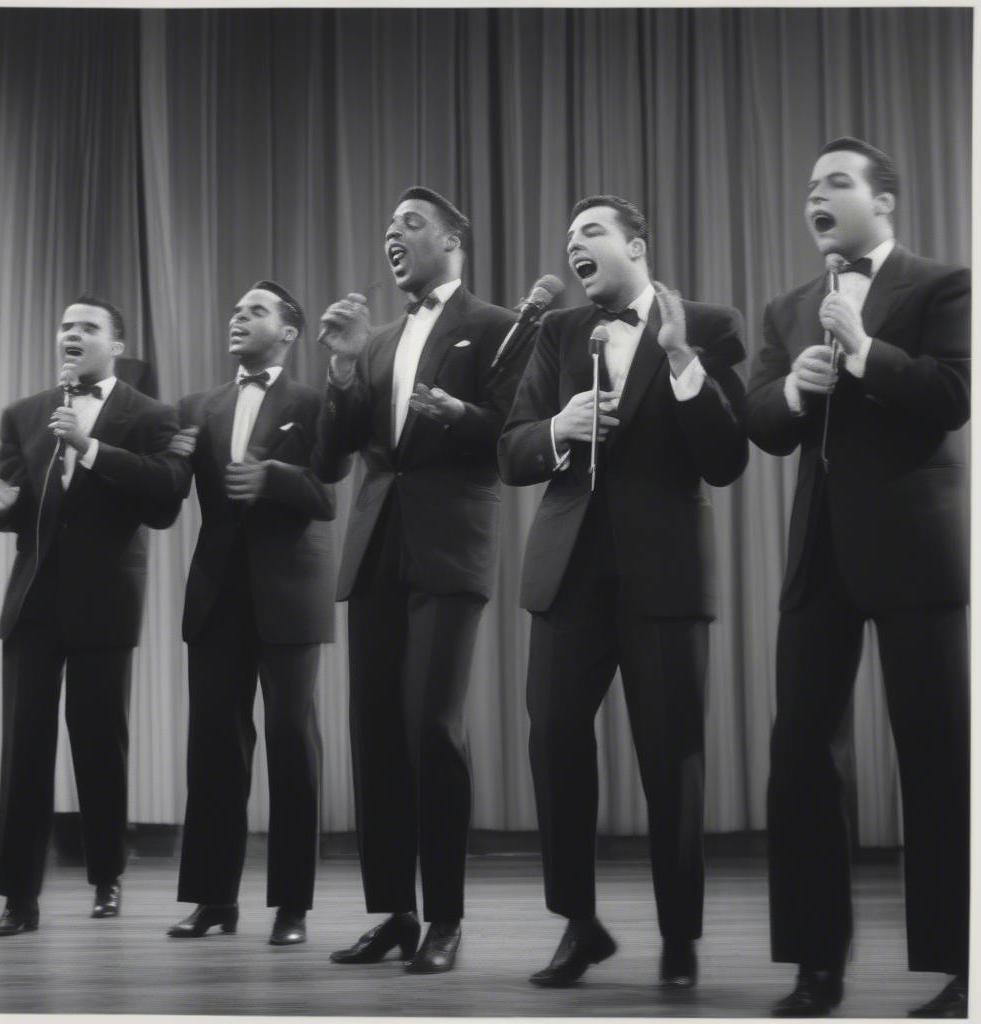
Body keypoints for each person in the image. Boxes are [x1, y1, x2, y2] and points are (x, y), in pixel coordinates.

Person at [498, 195, 747, 989]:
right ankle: (579, 924)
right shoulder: (559, 333)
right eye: (568, 236)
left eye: (591, 231)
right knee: (555, 739)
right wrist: (557, 429)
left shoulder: (706, 321)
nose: (574, 243)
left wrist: (679, 362)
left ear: (636, 244)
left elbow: (726, 458)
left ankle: (680, 937)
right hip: (569, 574)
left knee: (671, 758)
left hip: (664, 574)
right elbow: (511, 450)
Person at [746, 137, 969, 1019]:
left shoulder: (940, 283)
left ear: (885, 201)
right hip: (820, 556)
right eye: (809, 186)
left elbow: (952, 395)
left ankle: (963, 968)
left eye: (836, 181)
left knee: (938, 755)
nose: (816, 196)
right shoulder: (789, 305)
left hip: (914, 549)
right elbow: (761, 420)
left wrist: (866, 349)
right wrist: (797, 390)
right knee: (800, 755)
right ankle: (816, 965)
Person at [315, 187, 517, 974]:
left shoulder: (497, 328)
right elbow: (330, 458)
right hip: (376, 552)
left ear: (454, 238)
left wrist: (453, 415)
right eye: (388, 226)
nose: (393, 236)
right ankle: (395, 913)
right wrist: (339, 366)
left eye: (411, 224)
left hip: (448, 550)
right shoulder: (376, 342)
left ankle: (448, 918)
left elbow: (510, 434)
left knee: (431, 726)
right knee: (376, 732)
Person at [0, 296, 188, 935]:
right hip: (33, 602)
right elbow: (19, 506)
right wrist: (0, 507)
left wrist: (90, 447)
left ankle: (106, 877)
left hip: (104, 603)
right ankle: (19, 898)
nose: (72, 333)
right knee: (24, 751)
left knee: (99, 744)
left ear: (115, 345)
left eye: (88, 327)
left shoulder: (150, 415)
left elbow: (166, 499)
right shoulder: (24, 414)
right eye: (66, 325)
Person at [165, 281, 336, 946]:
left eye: (255, 310)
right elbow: (171, 495)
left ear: (288, 332)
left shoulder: (313, 404)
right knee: (213, 749)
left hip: (289, 594)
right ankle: (213, 900)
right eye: (235, 308)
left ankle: (292, 905)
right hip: (216, 596)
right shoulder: (197, 406)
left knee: (292, 743)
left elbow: (325, 495)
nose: (238, 316)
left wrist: (272, 478)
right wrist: (166, 462)